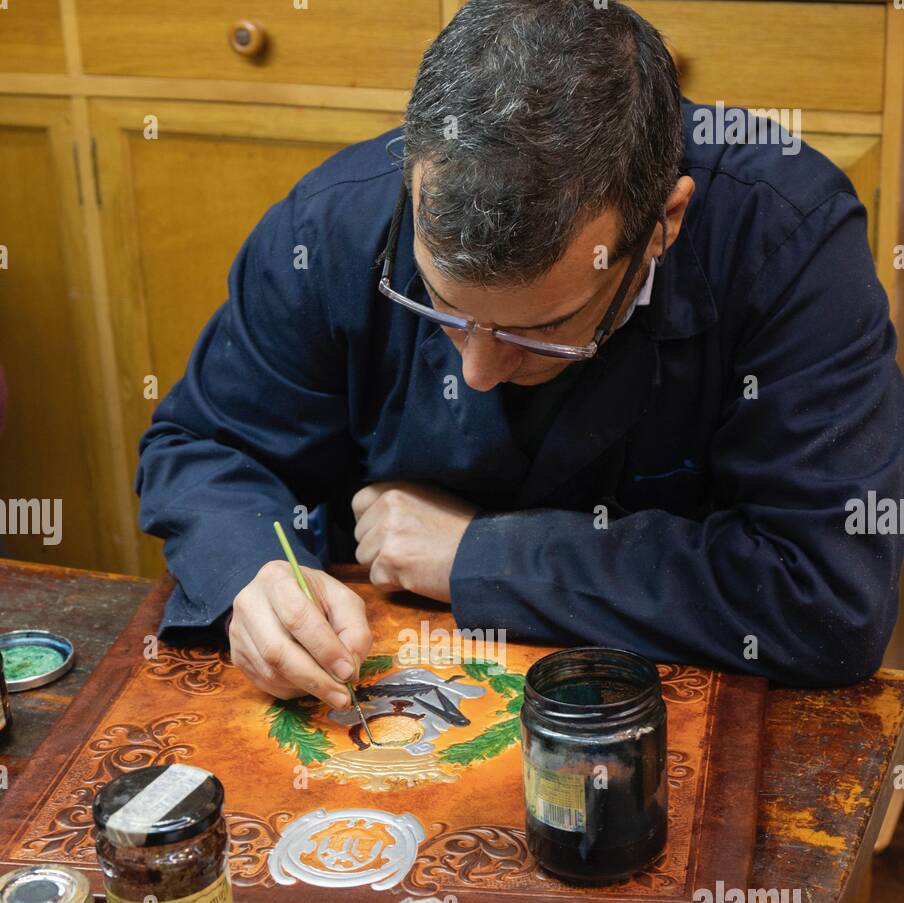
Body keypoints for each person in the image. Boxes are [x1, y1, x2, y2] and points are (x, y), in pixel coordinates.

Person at [137, 0, 904, 707]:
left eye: (541, 329)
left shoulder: (785, 243)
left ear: (664, 223)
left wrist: (486, 554)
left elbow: (828, 597)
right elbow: (201, 446)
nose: (475, 371)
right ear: (412, 179)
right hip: (384, 686)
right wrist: (252, 573)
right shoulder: (332, 226)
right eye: (441, 307)